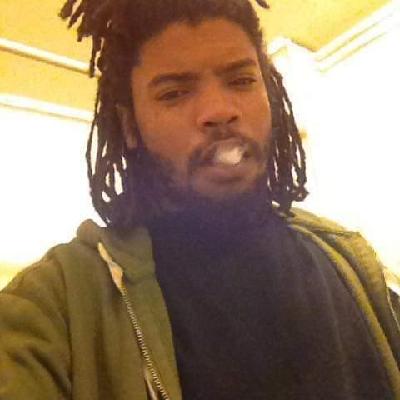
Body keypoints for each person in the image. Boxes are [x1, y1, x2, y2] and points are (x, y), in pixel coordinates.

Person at [1, 0, 400, 399]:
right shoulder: (57, 302)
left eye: (241, 80)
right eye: (174, 93)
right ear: (130, 126)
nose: (219, 111)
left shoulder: (347, 259)